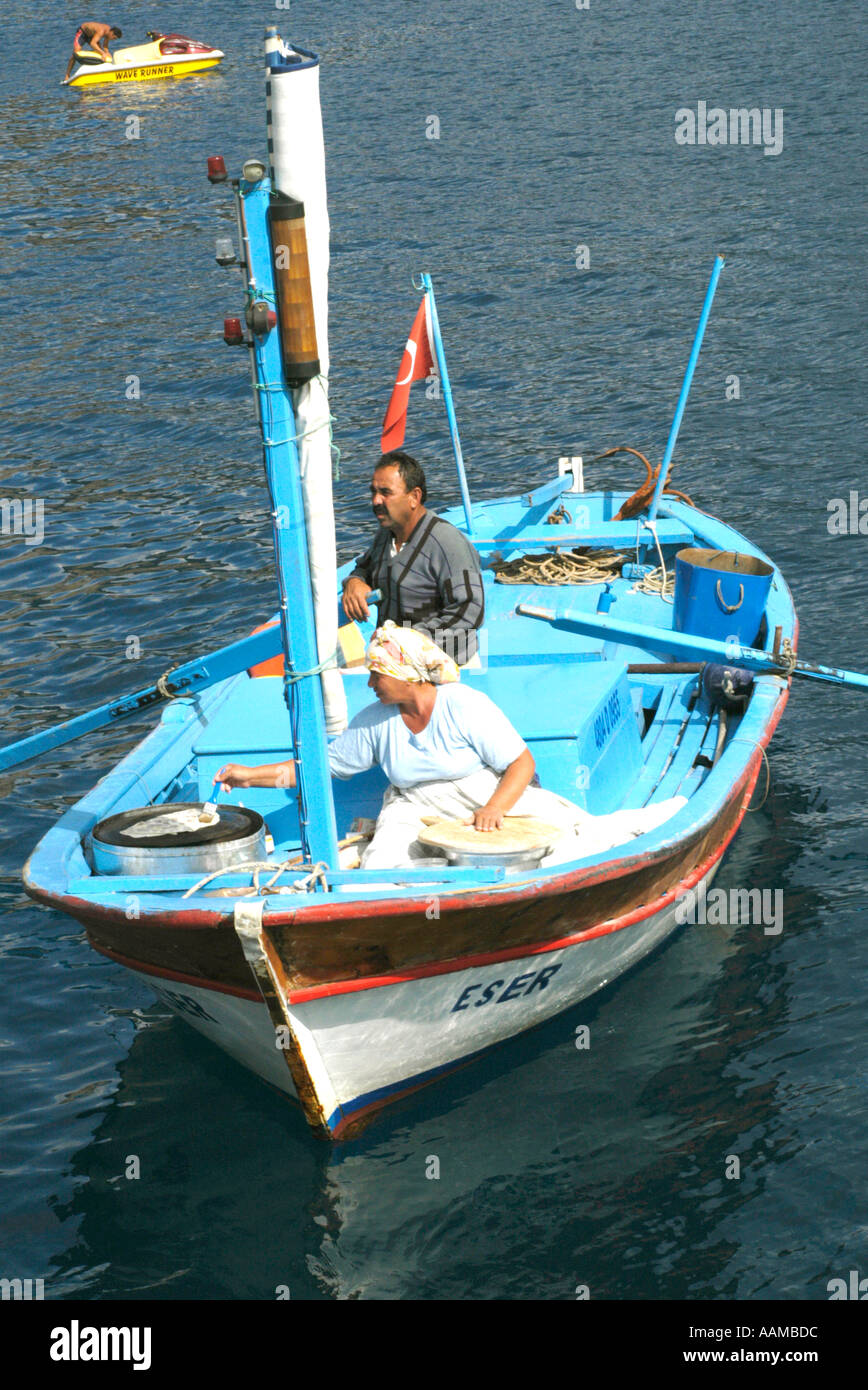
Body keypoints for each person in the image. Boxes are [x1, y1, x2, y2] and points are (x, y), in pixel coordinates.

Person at [216, 622, 584, 869]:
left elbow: (522, 764)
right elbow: (319, 767)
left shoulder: (463, 704)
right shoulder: (375, 721)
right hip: (413, 803)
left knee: (568, 837)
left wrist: (494, 809)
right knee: (383, 862)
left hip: (483, 794)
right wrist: (251, 777)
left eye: (377, 674)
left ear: (403, 674)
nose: (370, 683)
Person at [340, 451, 484, 666]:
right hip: (396, 662)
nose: (376, 500)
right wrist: (354, 582)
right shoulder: (385, 537)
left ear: (414, 497)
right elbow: (365, 568)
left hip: (444, 665)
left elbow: (470, 610)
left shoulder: (446, 543)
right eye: (374, 492)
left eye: (385, 493)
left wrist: (409, 641)